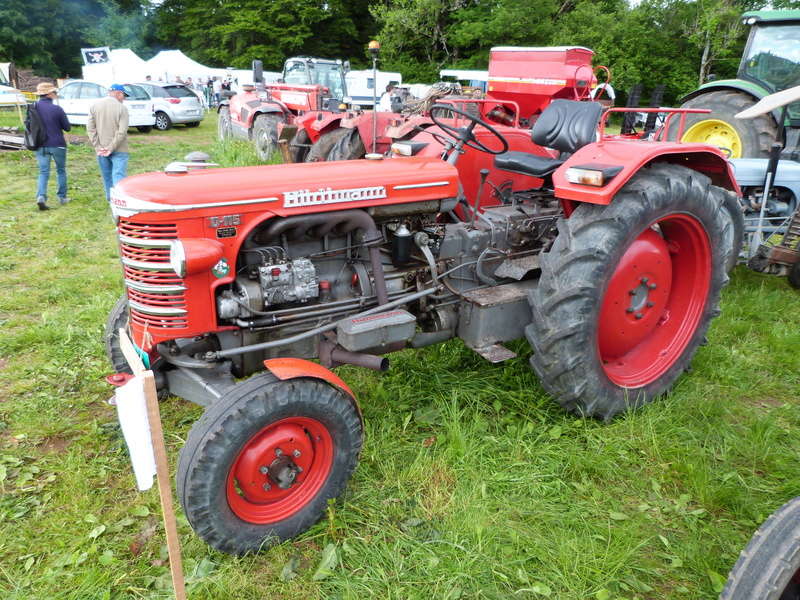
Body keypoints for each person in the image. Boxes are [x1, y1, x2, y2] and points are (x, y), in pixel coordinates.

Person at [32, 82, 71, 210]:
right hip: (57, 144)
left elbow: (29, 126)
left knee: (43, 172)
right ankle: (62, 197)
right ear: (49, 94)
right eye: (54, 92)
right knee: (61, 170)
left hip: (40, 144)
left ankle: (41, 196)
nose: (56, 94)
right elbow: (67, 127)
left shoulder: (33, 108)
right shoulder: (57, 109)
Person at [87, 84, 129, 201]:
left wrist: (98, 146)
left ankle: (110, 199)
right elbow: (122, 131)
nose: (123, 98)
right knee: (118, 175)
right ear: (118, 93)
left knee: (107, 176)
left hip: (101, 149)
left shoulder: (94, 106)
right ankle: (120, 201)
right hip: (120, 149)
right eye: (123, 95)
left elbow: (90, 129)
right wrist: (111, 148)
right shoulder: (122, 108)